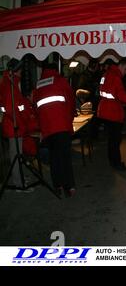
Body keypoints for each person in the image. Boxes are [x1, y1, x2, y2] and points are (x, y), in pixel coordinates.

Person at [32, 63, 76, 197]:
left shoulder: (38, 86)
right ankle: (70, 187)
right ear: (56, 70)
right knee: (65, 157)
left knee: (55, 157)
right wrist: (71, 117)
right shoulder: (61, 81)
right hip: (62, 125)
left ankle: (58, 186)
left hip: (47, 129)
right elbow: (71, 100)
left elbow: (36, 108)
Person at [0, 59, 34, 191]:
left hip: (15, 125)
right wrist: (21, 122)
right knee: (16, 155)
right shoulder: (10, 85)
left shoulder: (11, 83)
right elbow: (10, 109)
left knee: (18, 154)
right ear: (16, 71)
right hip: (13, 127)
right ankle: (19, 184)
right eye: (20, 70)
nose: (21, 72)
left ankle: (19, 178)